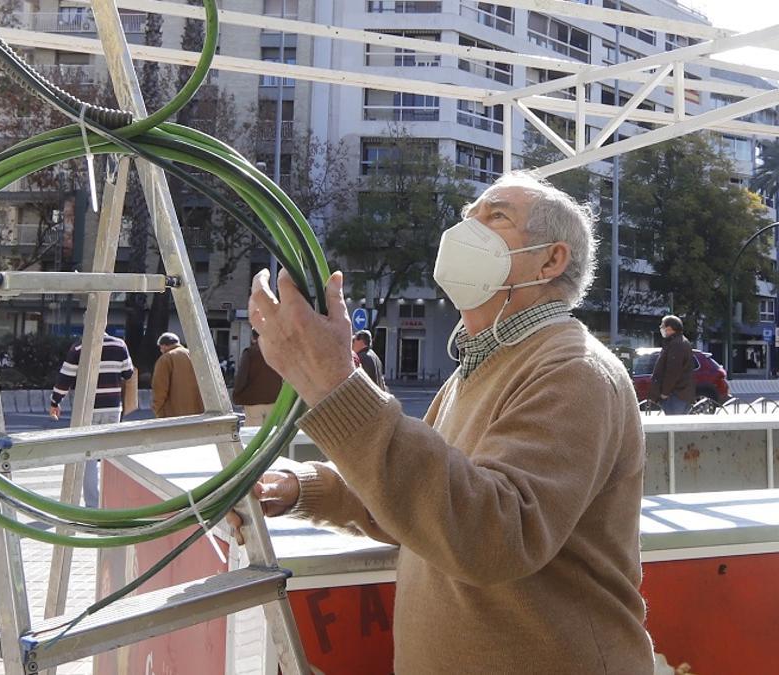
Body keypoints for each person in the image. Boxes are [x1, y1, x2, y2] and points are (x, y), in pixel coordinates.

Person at [234, 172, 653, 672]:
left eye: (496, 216)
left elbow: (494, 534)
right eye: (465, 215)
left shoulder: (572, 368)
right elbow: (425, 507)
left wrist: (336, 385)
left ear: (551, 259)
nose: (463, 230)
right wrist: (302, 488)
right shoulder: (478, 367)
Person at [49, 332, 135, 508]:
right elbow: (128, 373)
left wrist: (55, 401)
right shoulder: (120, 345)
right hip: (112, 407)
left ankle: (93, 504)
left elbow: (65, 378)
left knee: (88, 457)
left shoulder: (79, 348)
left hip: (87, 409)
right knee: (110, 456)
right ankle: (111, 502)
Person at [232, 329, 283, 426]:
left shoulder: (250, 353)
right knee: (270, 431)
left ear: (253, 337)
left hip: (253, 400)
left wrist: (237, 393)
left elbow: (241, 377)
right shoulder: (277, 353)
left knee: (253, 431)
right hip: (273, 399)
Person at [650, 315, 695, 415]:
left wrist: (665, 393)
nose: (660, 328)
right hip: (679, 394)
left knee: (673, 427)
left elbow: (672, 371)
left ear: (669, 328)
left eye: (662, 325)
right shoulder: (678, 342)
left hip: (675, 395)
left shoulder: (677, 344)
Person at [151, 333, 204, 418]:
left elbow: (159, 388)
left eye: (160, 348)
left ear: (164, 346)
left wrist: (157, 410)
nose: (161, 351)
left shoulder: (165, 358)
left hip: (174, 414)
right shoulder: (195, 355)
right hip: (198, 413)